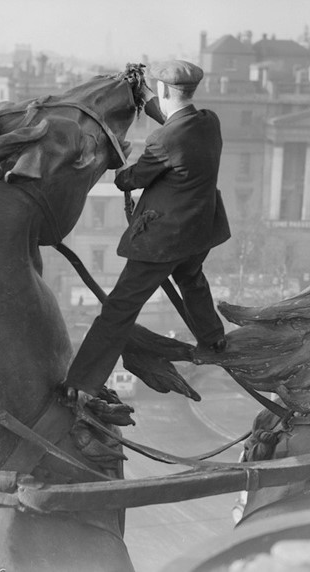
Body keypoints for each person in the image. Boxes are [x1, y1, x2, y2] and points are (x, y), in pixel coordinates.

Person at [63, 60, 230, 397]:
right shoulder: (208, 123)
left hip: (163, 241)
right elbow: (175, 120)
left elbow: (131, 178)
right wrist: (146, 96)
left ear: (166, 90)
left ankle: (81, 383)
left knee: (119, 310)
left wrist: (117, 163)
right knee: (192, 280)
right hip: (199, 232)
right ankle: (214, 339)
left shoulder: (163, 141)